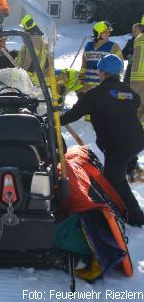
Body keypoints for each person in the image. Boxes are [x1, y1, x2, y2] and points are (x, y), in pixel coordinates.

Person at [61, 54, 144, 227]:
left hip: (118, 145)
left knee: (114, 180)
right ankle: (131, 169)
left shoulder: (95, 95)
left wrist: (55, 119)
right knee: (117, 168)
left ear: (102, 72)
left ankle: (136, 217)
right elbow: (136, 101)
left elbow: (73, 114)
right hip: (137, 140)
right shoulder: (127, 92)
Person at [79, 21, 123, 94]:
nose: (107, 34)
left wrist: (117, 80)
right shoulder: (88, 46)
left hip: (105, 85)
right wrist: (81, 77)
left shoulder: (114, 46)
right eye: (104, 32)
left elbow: (119, 65)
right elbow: (84, 64)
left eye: (109, 32)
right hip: (87, 85)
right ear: (97, 33)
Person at [15, 14, 50, 86]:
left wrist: (21, 77)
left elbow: (30, 62)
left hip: (30, 80)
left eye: (24, 27)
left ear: (29, 26)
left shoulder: (34, 40)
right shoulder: (39, 40)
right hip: (34, 79)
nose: (24, 30)